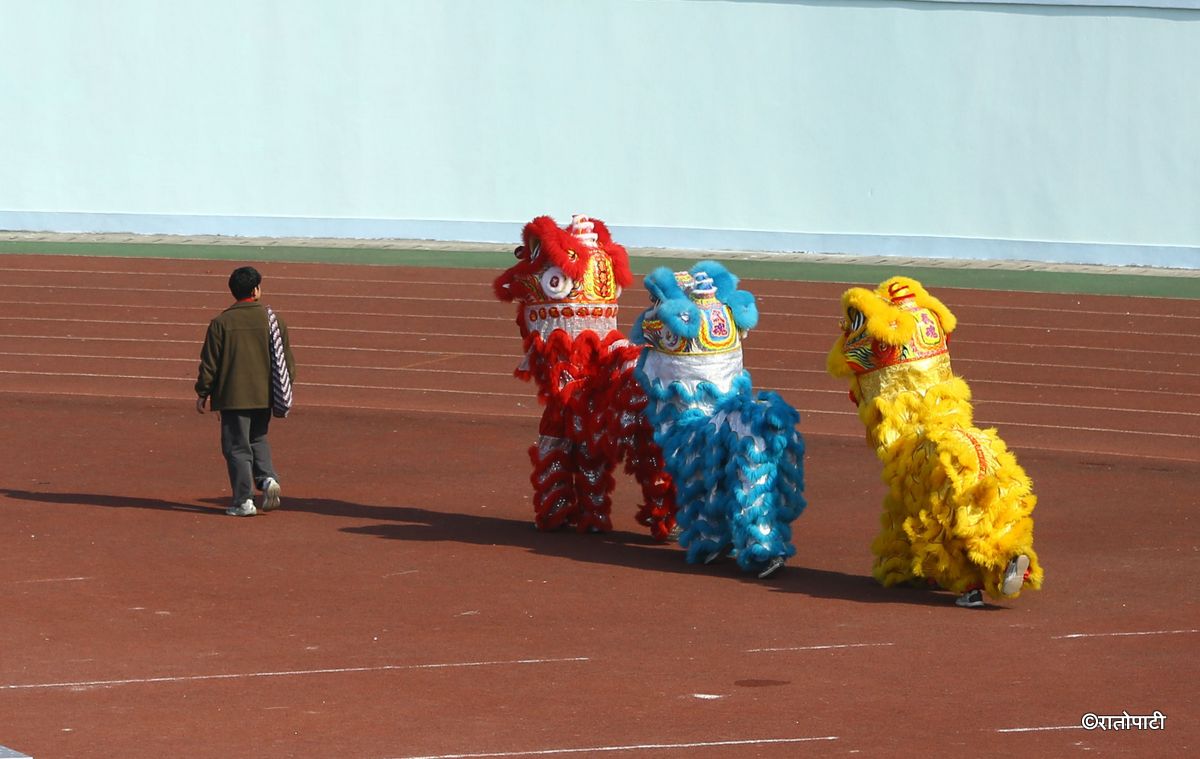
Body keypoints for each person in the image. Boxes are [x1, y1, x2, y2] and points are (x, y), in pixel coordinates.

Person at [195, 266, 296, 516]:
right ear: (255, 290)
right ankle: (267, 479)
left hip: (233, 397)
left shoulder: (221, 322)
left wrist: (203, 392)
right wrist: (284, 389)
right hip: (265, 395)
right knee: (258, 438)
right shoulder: (273, 320)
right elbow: (287, 362)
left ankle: (243, 500)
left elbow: (210, 363)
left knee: (236, 447)